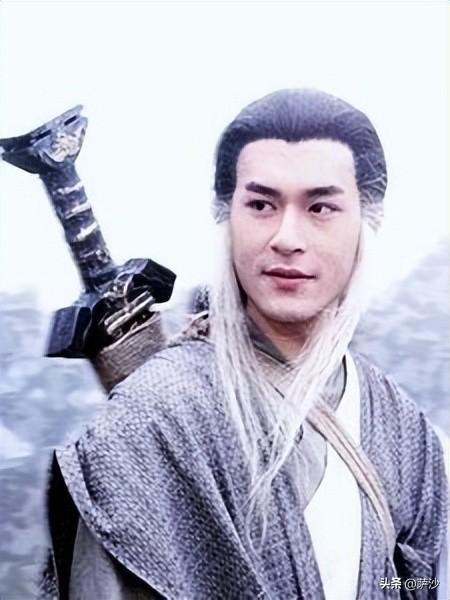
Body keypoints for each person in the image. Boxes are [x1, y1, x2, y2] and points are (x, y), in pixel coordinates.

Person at [38, 89, 447, 599]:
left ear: (366, 221)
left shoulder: (405, 431)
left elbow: (416, 581)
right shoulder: (146, 424)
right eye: (261, 205)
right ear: (226, 217)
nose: (287, 237)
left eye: (321, 207)